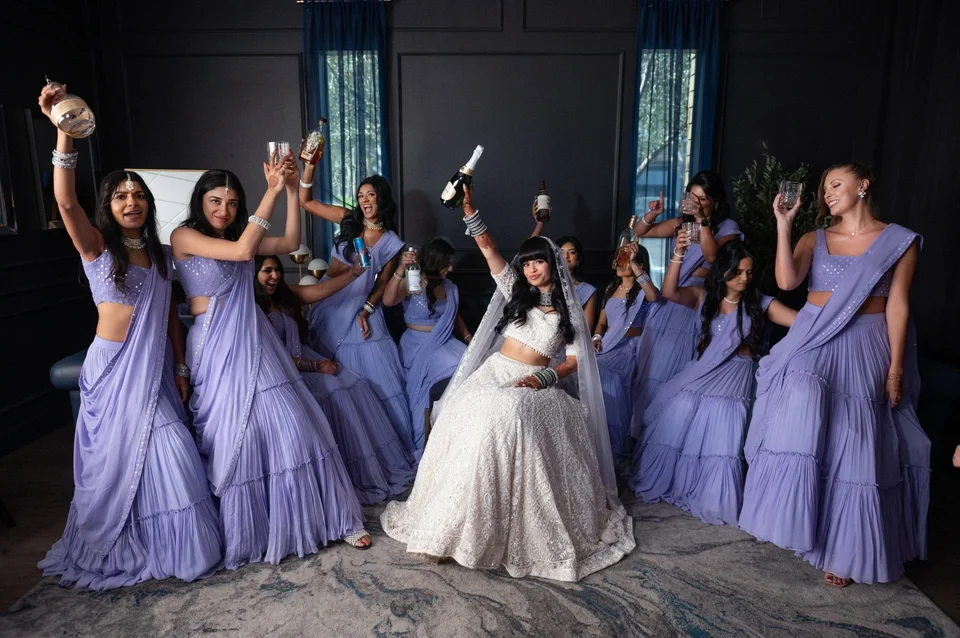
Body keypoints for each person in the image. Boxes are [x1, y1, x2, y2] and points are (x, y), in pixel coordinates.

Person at [381, 186, 634, 582]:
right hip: (495, 370)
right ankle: (458, 517)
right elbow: (487, 247)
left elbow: (574, 361)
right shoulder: (517, 291)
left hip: (538, 383)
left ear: (552, 264)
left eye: (538, 263)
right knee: (461, 408)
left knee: (506, 410)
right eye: (527, 263)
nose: (531, 269)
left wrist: (544, 376)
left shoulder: (569, 308)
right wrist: (468, 209)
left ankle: (498, 527)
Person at [37, 83, 221, 589]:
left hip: (156, 374)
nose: (131, 201)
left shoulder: (161, 254)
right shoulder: (97, 247)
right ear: (109, 205)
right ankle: (136, 544)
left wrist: (181, 369)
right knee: (154, 454)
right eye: (120, 195)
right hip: (113, 373)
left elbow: (165, 319)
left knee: (172, 449)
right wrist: (64, 132)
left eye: (138, 195)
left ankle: (176, 545)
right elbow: (63, 199)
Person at [171, 157, 371, 569]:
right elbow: (243, 250)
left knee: (295, 425)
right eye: (214, 201)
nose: (223, 210)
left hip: (254, 339)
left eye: (231, 202)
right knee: (236, 441)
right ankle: (253, 531)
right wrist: (273, 189)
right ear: (200, 202)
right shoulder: (183, 235)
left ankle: (331, 518)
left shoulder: (244, 233)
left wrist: (294, 190)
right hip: (214, 344)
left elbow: (292, 240)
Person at [739, 163, 928, 587]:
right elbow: (787, 280)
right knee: (805, 404)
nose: (827, 193)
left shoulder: (898, 241)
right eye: (824, 188)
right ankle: (802, 525)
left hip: (866, 341)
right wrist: (784, 225)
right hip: (814, 336)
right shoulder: (815, 237)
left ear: (863, 186)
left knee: (854, 442)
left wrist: (896, 366)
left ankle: (844, 551)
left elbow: (898, 305)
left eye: (835, 185)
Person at [628, 239, 796, 526]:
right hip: (702, 373)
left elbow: (803, 323)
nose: (745, 278)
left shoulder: (761, 303)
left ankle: (712, 494)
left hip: (735, 377)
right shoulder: (703, 297)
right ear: (724, 271)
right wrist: (679, 253)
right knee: (680, 404)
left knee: (722, 421)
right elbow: (669, 292)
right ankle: (679, 481)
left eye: (749, 272)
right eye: (738, 272)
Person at [254, 255, 416, 502]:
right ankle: (345, 476)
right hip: (284, 369)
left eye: (277, 270)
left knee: (354, 383)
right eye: (267, 271)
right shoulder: (250, 307)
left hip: (303, 357)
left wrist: (354, 274)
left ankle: (369, 471)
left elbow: (321, 289)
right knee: (334, 391)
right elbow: (268, 355)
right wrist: (314, 365)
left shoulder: (286, 296)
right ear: (254, 274)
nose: (274, 276)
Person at [300, 156, 413, 452]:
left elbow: (381, 283)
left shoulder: (391, 242)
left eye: (370, 195)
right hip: (330, 303)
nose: (364, 200)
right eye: (360, 195)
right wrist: (309, 165)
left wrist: (366, 311)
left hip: (361, 308)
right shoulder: (347, 220)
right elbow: (306, 202)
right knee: (330, 382)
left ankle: (377, 450)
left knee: (371, 384)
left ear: (381, 200)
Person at [629, 171, 742, 434]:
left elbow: (714, 258)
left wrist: (702, 221)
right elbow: (640, 232)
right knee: (652, 371)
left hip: (695, 304)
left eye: (703, 199)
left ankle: (665, 435)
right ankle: (641, 439)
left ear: (715, 201)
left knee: (675, 371)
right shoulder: (681, 222)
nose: (697, 203)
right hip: (667, 304)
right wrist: (652, 214)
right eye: (693, 197)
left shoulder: (728, 229)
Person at [382, 238, 470, 456]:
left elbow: (454, 314)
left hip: (445, 341)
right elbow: (388, 300)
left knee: (471, 364)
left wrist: (469, 338)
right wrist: (401, 269)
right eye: (446, 263)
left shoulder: (449, 286)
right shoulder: (413, 281)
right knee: (454, 366)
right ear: (434, 261)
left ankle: (457, 436)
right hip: (417, 344)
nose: (450, 268)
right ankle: (428, 440)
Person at [593, 242, 659, 462]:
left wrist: (633, 263)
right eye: (620, 257)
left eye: (627, 259)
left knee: (606, 374)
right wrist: (597, 337)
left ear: (638, 263)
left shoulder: (642, 291)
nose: (621, 263)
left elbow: (654, 296)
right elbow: (601, 323)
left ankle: (615, 447)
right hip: (607, 345)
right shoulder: (611, 289)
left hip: (629, 349)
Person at [531, 208, 597, 332]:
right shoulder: (544, 282)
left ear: (578, 259)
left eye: (571, 253)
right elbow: (528, 254)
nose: (566, 257)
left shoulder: (587, 290)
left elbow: (586, 329)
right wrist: (540, 225)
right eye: (561, 253)